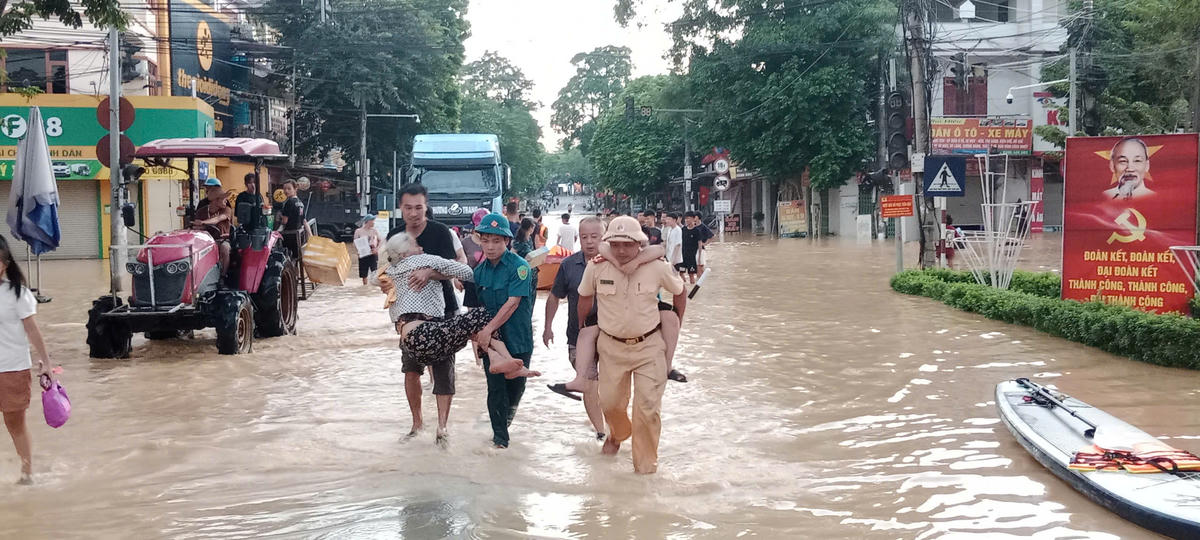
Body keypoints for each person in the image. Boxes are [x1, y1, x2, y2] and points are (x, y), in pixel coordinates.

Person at [578, 216, 686, 474]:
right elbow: (584, 297)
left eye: (628, 245)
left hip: (649, 347)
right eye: (615, 244)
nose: (622, 250)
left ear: (640, 243)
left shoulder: (657, 267)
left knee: (647, 410)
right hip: (611, 348)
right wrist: (582, 328)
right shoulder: (597, 267)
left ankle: (645, 472)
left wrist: (677, 322)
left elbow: (680, 292)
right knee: (611, 404)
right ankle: (617, 433)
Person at [373, 233, 538, 381]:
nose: (422, 248)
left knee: (474, 329)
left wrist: (433, 275)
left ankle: (496, 358)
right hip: (424, 335)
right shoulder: (422, 260)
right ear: (404, 254)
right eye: (416, 246)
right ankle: (510, 362)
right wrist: (432, 271)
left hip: (411, 344)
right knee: (481, 315)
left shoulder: (388, 271)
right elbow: (467, 272)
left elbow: (373, 279)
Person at [391, 183, 467, 443]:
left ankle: (442, 427)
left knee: (444, 368)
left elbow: (456, 268)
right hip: (408, 314)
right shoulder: (395, 237)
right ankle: (417, 423)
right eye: (408, 207)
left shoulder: (440, 233)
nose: (413, 213)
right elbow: (385, 272)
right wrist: (383, 282)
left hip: (443, 309)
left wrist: (429, 273)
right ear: (400, 207)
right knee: (410, 369)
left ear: (426, 207)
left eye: (419, 208)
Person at [472, 213, 536, 449]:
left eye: (496, 241)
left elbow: (513, 303)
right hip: (493, 343)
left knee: (515, 390)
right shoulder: (478, 273)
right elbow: (475, 310)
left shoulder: (520, 267)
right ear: (479, 240)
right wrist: (478, 341)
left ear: (507, 241)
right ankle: (500, 440)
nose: (490, 246)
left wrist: (487, 330)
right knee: (495, 389)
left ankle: (503, 428)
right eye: (485, 240)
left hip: (518, 339)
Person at [542, 217, 607, 440]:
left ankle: (612, 426)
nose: (589, 242)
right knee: (589, 383)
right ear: (579, 238)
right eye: (585, 237)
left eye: (595, 236)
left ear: (604, 237)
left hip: (612, 336)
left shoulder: (614, 263)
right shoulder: (569, 265)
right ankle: (601, 432)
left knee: (610, 387)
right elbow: (554, 297)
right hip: (577, 336)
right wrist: (547, 327)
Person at [0, 236, 52, 485]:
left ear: (4, 263)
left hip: (12, 369)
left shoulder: (17, 294)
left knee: (14, 423)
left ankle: (27, 473)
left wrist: (46, 364)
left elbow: (33, 331)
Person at [192, 177, 233, 277]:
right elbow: (195, 225)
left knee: (225, 248)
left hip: (222, 239)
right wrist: (199, 227)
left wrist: (203, 222)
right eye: (223, 198)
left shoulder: (226, 208)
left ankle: (222, 276)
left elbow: (218, 218)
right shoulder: (201, 209)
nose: (226, 200)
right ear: (216, 200)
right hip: (204, 241)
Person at [276, 179, 312, 259]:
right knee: (296, 259)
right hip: (299, 236)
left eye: (289, 189)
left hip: (289, 235)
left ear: (295, 189)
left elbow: (285, 221)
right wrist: (310, 235)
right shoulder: (300, 203)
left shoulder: (289, 202)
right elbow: (304, 221)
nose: (286, 191)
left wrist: (280, 216)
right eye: (284, 189)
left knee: (288, 259)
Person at [354, 214, 381, 285]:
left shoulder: (374, 231)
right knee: (364, 275)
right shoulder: (358, 231)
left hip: (372, 252)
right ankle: (365, 288)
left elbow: (380, 241)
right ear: (368, 221)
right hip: (363, 254)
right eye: (372, 221)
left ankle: (373, 289)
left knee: (374, 272)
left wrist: (376, 249)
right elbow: (355, 243)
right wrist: (358, 251)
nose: (374, 222)